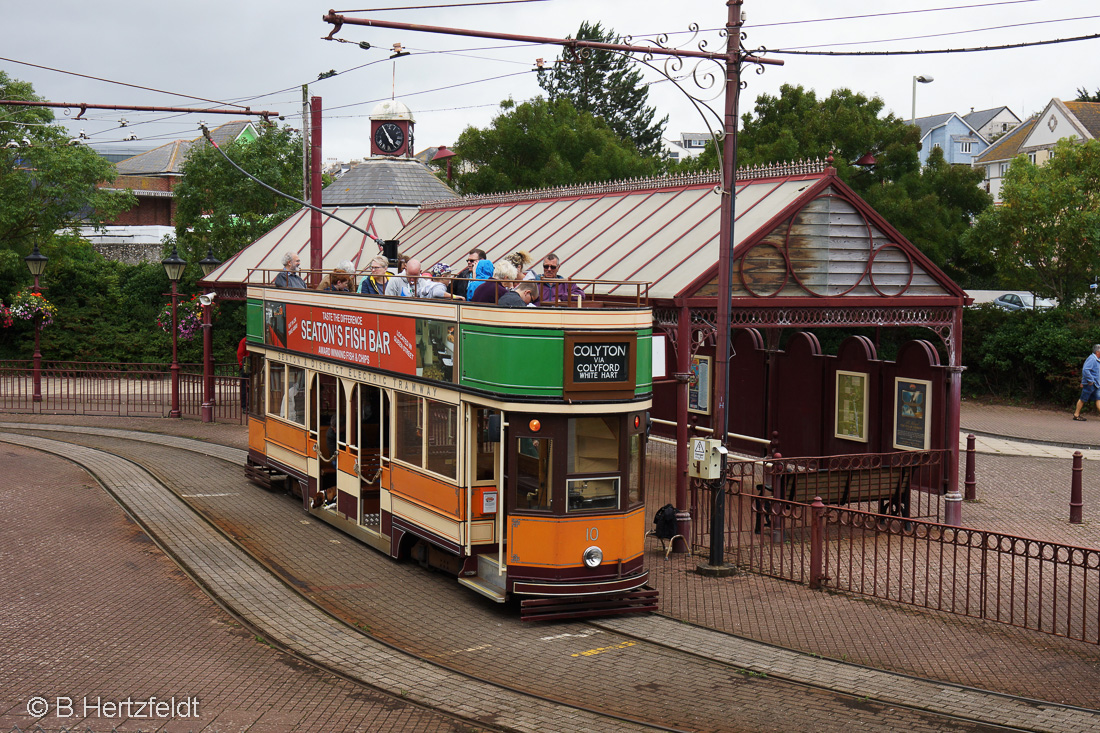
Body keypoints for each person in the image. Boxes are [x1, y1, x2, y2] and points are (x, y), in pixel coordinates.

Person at [1073, 344, 1100, 420]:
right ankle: (1076, 414)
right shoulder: (1092, 359)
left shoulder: (1098, 360)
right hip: (1090, 384)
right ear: (1097, 352)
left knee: (1099, 399)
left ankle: (1076, 414)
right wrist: (1090, 380)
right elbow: (1085, 370)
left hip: (1097, 384)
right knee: (1083, 399)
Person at [236, 336, 249, 412]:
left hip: (245, 366)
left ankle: (245, 406)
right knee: (245, 387)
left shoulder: (244, 340)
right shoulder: (244, 341)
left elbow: (240, 354)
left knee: (245, 387)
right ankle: (245, 405)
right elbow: (240, 354)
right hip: (246, 366)